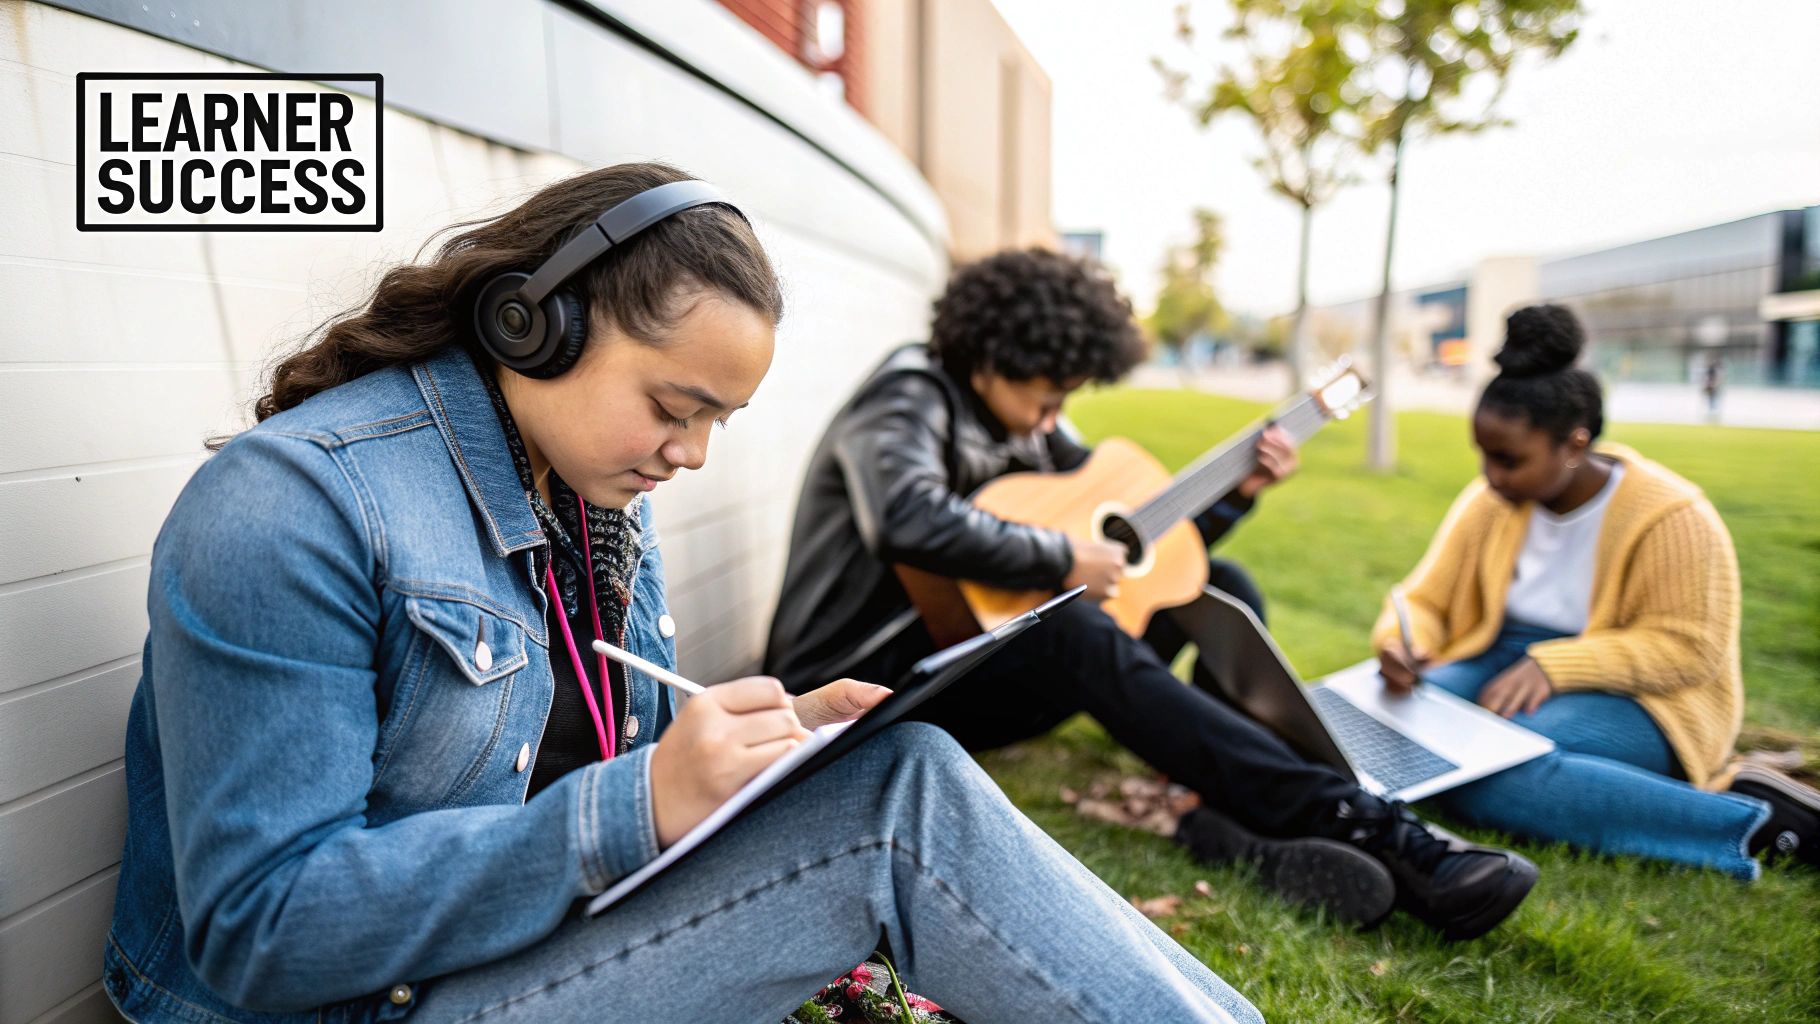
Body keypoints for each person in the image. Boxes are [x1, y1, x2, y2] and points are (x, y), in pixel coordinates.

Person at [103, 165, 1262, 1024]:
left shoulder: (588, 495)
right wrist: (639, 802)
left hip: (505, 956)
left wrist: (766, 756)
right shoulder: (290, 507)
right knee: (893, 812)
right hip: (356, 1006)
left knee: (891, 766)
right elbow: (262, 929)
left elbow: (621, 770)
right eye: (673, 406)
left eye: (719, 420)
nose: (692, 454)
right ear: (532, 325)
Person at [764, 248, 1539, 940]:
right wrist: (1063, 555)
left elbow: (1139, 540)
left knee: (1213, 586)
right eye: (1048, 394)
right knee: (1067, 631)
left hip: (966, 662)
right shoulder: (906, 397)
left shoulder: (1026, 426)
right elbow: (906, 515)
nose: (1055, 416)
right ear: (995, 353)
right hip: (866, 695)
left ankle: (1229, 814)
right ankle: (1358, 822)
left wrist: (1237, 493)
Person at [1373, 303, 1820, 879]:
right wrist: (1402, 641)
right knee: (1396, 725)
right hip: (1503, 655)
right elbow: (1424, 598)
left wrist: (1557, 665)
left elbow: (1692, 648)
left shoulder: (1672, 515)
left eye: (1509, 460)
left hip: (1643, 694)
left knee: (1486, 771)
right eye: (1483, 455)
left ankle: (1753, 821)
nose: (1491, 476)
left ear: (1575, 444)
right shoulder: (1490, 503)